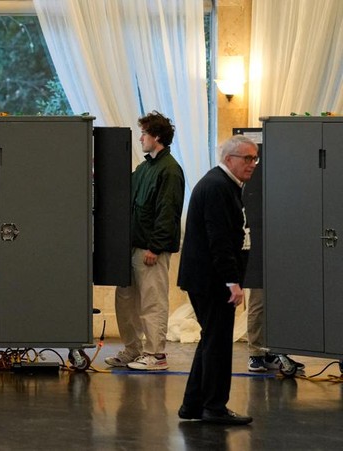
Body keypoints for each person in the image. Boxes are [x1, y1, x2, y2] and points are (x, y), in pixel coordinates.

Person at [177, 135, 258, 425]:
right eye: (247, 158)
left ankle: (193, 405)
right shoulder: (217, 187)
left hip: (208, 278)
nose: (252, 164)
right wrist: (231, 282)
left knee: (212, 339)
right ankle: (214, 407)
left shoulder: (225, 185)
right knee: (218, 343)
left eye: (255, 158)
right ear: (229, 159)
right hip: (211, 280)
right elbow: (219, 239)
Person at [105, 111, 185, 371]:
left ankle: (155, 355)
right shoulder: (144, 168)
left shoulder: (170, 170)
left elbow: (168, 211)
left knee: (152, 302)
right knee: (125, 300)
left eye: (144, 134)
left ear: (157, 136)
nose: (140, 139)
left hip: (151, 250)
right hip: (132, 247)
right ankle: (132, 349)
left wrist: (156, 246)